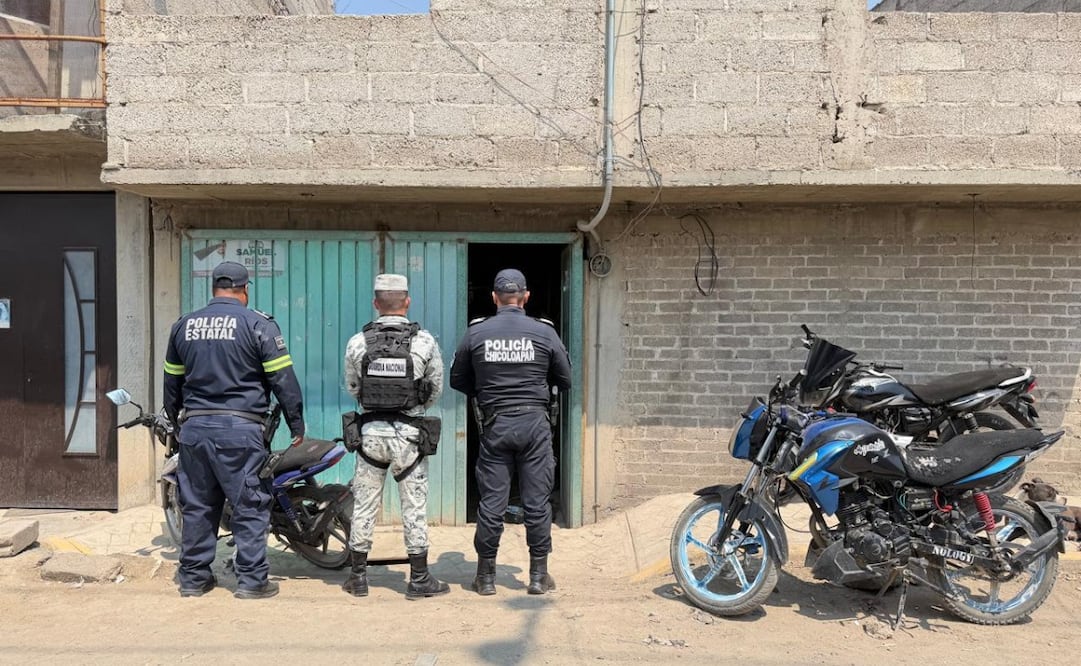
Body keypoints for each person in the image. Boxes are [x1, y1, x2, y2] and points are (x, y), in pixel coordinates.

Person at [163, 261, 305, 600]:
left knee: (197, 505)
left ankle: (194, 579)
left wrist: (175, 421)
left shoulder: (184, 326)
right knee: (250, 504)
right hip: (240, 429)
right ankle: (253, 581)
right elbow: (282, 380)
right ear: (244, 289)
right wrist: (296, 423)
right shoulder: (259, 325)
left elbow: (172, 383)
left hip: (195, 428)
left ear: (214, 289)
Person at [450, 268, 572, 595]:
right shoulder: (544, 333)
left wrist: (489, 389)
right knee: (537, 502)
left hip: (495, 425)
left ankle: (486, 578)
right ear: (526, 297)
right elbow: (566, 380)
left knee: (491, 502)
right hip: (535, 425)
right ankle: (537, 576)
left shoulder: (477, 333)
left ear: (494, 298)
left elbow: (457, 380)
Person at [342, 273, 449, 599]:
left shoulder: (358, 342)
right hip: (410, 437)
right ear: (407, 302)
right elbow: (435, 391)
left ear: (376, 304)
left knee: (364, 505)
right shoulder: (425, 341)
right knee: (414, 508)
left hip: (371, 435)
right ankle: (419, 580)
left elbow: (352, 388)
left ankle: (358, 578)